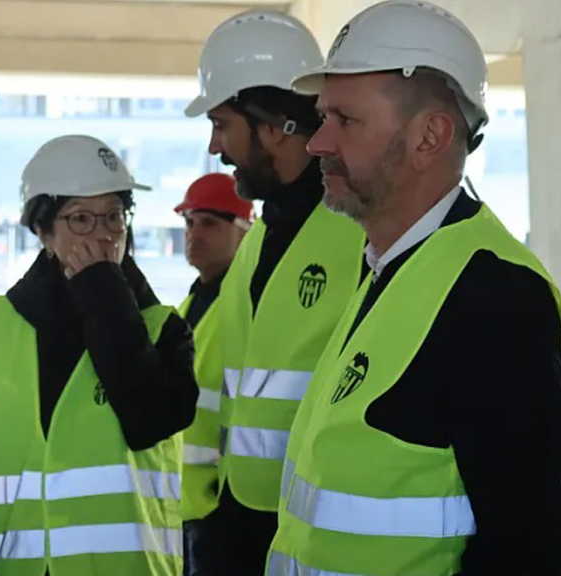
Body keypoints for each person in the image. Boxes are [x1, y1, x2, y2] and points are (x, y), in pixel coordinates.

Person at [265, 2, 561, 575]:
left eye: (345, 121)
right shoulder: (387, 265)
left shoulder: (496, 294)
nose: (317, 143)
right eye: (322, 116)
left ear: (430, 136)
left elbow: (524, 547)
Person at [0, 135, 197, 576]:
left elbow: (151, 418)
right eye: (81, 219)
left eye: (113, 216)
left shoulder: (163, 329)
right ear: (42, 231)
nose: (103, 234)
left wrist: (104, 289)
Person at [183, 9, 366, 575]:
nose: (215, 146)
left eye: (221, 123)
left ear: (270, 125)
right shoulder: (262, 237)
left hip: (319, 537)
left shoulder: (361, 234)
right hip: (240, 527)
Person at [171, 173, 252, 570]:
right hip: (182, 509)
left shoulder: (244, 306)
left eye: (209, 223)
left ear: (244, 231)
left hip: (220, 511)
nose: (194, 234)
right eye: (189, 223)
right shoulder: (191, 305)